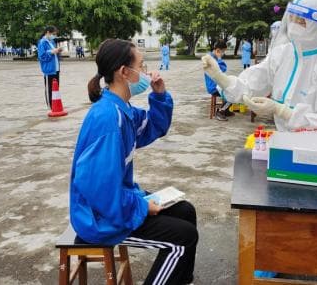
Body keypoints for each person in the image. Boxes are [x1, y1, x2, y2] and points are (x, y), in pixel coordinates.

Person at [70, 39, 198, 285]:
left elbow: (153, 127)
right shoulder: (108, 119)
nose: (146, 72)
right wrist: (140, 206)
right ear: (124, 72)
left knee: (185, 211)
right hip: (101, 216)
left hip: (117, 201)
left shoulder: (122, 109)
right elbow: (99, 191)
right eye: (141, 65)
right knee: (183, 239)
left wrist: (159, 95)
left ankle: (180, 279)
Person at [202, 0, 317, 132]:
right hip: (284, 144)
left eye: (301, 21)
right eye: (292, 18)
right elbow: (252, 84)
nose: (294, 25)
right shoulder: (283, 54)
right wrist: (220, 77)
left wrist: (281, 111)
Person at [204, 40, 234, 121]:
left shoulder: (211, 57)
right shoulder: (211, 59)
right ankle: (221, 112)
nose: (223, 54)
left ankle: (226, 110)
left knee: (232, 87)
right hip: (214, 87)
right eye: (223, 51)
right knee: (232, 93)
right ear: (218, 50)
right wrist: (219, 58)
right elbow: (223, 69)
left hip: (217, 85)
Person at [37, 25, 63, 108]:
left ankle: (55, 104)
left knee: (56, 88)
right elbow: (42, 56)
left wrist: (58, 51)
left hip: (56, 69)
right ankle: (50, 106)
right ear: (48, 32)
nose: (54, 36)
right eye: (53, 34)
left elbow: (54, 53)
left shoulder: (52, 42)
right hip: (49, 70)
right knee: (49, 88)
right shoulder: (42, 42)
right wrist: (52, 52)